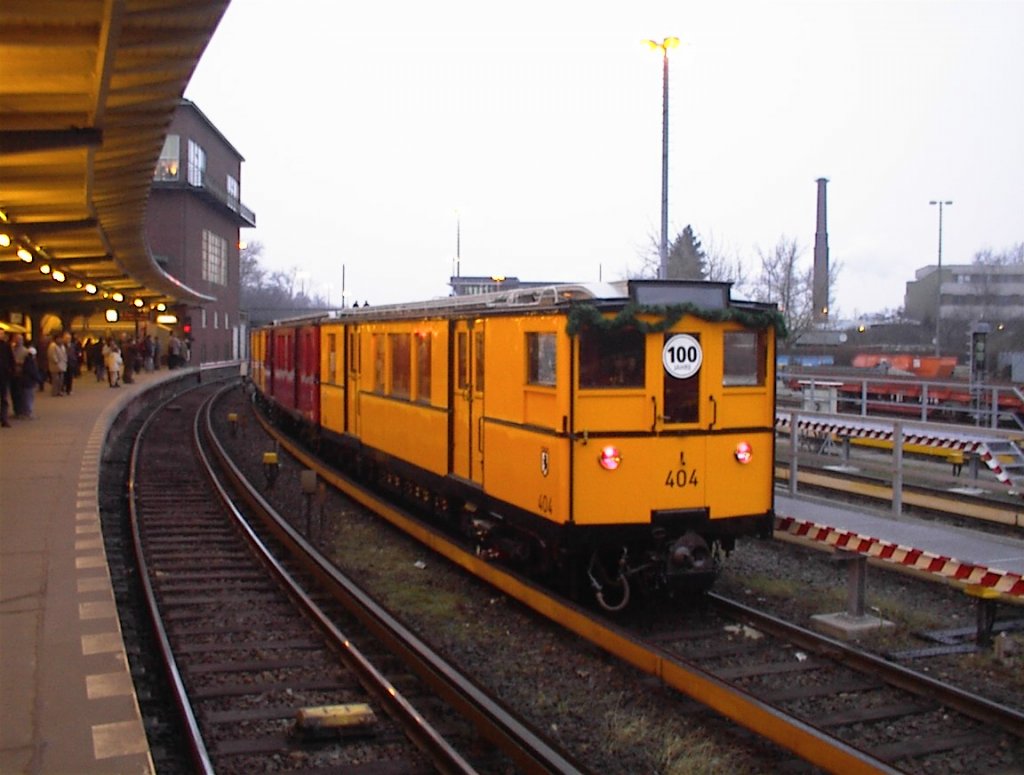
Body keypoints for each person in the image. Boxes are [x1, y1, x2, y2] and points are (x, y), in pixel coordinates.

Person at [19, 345, 43, 419]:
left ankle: (25, 412)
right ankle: (28, 413)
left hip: (26, 382)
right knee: (29, 398)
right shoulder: (31, 362)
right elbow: (33, 372)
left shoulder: (26, 361)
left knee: (26, 397)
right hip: (29, 383)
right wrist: (39, 379)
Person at [47, 332, 67, 396]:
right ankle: (55, 392)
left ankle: (59, 391)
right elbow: (52, 355)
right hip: (55, 366)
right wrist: (56, 361)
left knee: (61, 380)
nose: (61, 340)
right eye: (59, 339)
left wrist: (65, 361)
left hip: (62, 364)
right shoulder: (52, 346)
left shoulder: (62, 346)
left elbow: (64, 354)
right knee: (56, 380)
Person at [0, 330, 13, 427]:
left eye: (2, 334)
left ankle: (4, 419)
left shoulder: (6, 346)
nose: (1, 335)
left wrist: (10, 370)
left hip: (4, 375)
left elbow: (11, 359)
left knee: (4, 398)